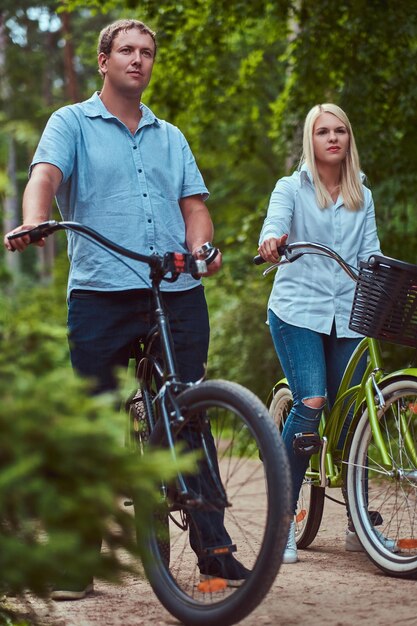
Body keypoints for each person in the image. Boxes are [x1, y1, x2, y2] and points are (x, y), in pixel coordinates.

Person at [4, 18, 248, 598]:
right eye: (127, 51)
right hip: (101, 294)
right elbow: (45, 177)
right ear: (104, 60)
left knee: (189, 414)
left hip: (175, 292)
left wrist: (201, 249)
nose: (138, 60)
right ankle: (74, 561)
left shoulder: (172, 136)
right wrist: (37, 216)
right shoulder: (71, 123)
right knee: (95, 423)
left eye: (147, 52)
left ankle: (215, 552)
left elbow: (194, 209)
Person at [258, 103, 391, 564]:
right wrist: (272, 240)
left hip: (349, 315)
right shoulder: (290, 188)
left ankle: (358, 524)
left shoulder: (362, 196)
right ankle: (282, 522)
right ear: (310, 141)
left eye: (340, 131)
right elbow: (273, 225)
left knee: (357, 414)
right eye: (322, 131)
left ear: (348, 139)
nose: (333, 138)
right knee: (311, 400)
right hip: (298, 311)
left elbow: (370, 255)